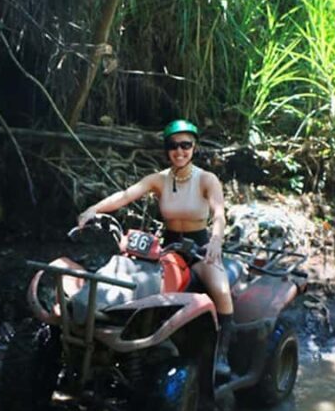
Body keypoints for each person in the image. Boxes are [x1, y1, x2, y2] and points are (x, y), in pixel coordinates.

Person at [77, 119, 234, 379]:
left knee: (221, 289)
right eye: (174, 145)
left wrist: (216, 240)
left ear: (194, 147)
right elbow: (126, 195)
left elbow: (219, 213)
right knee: (140, 284)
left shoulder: (207, 179)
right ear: (167, 148)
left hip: (200, 248)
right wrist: (94, 209)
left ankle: (222, 355)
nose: (180, 151)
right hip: (168, 247)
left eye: (186, 145)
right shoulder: (158, 180)